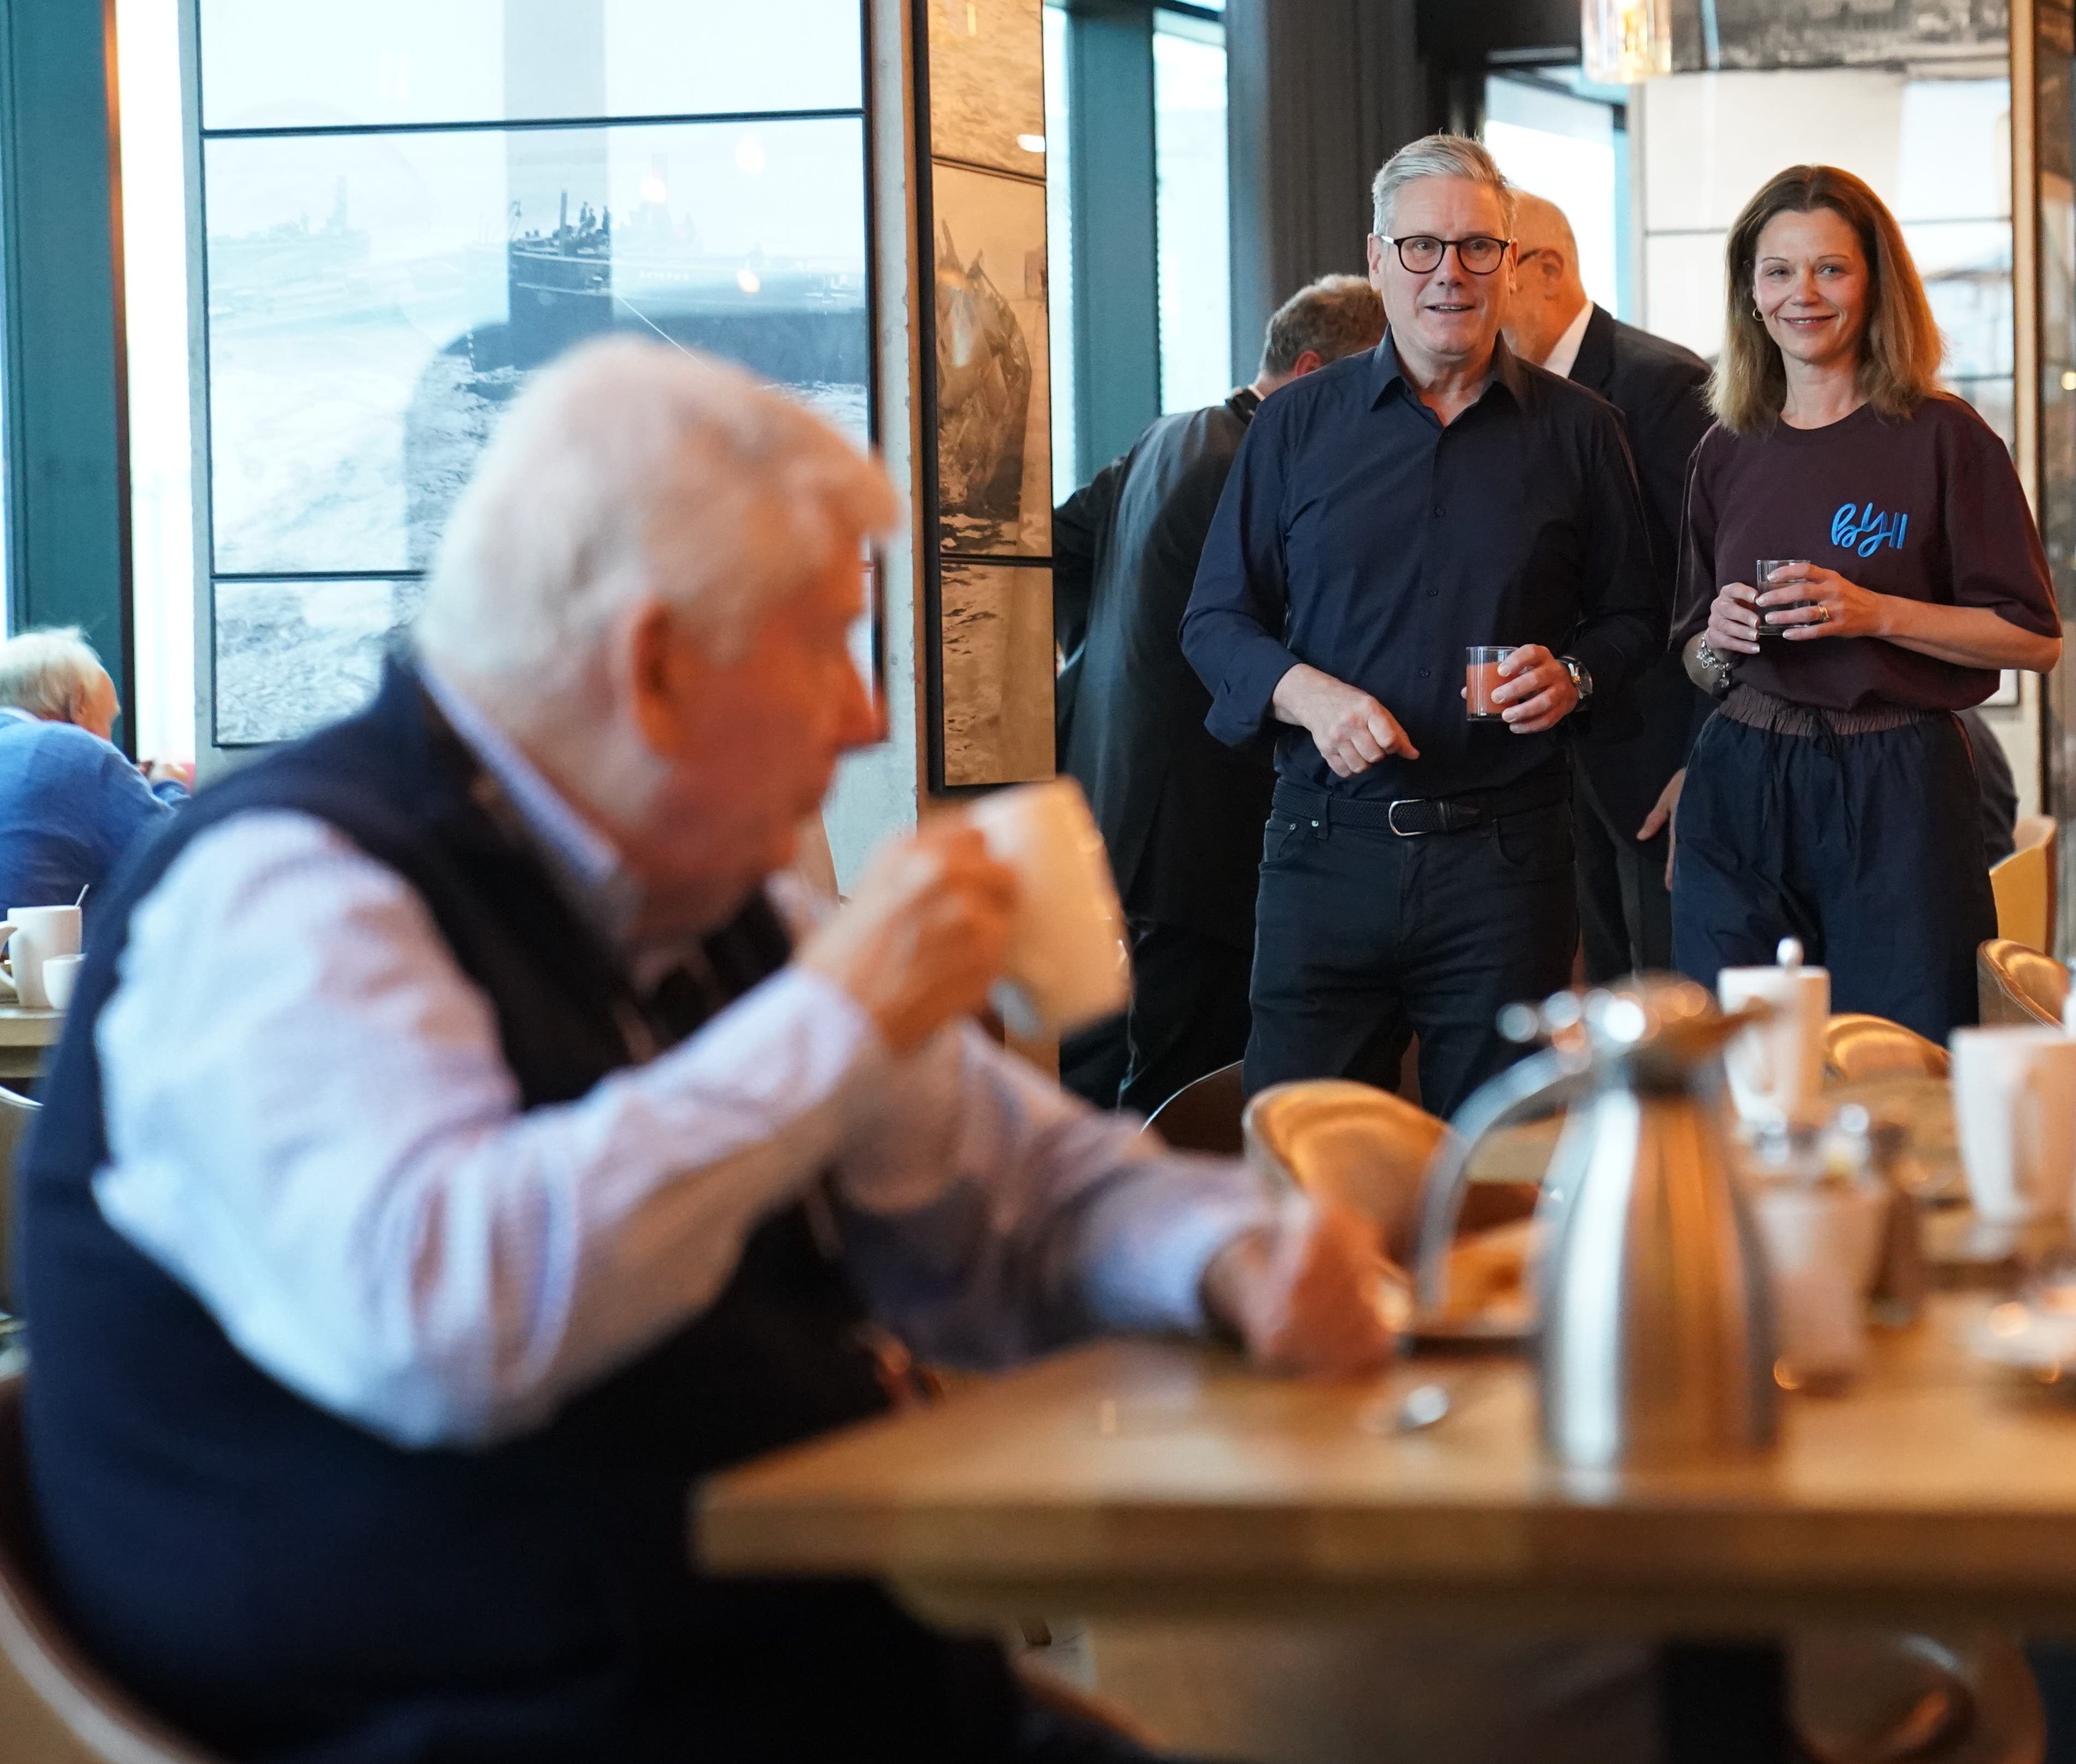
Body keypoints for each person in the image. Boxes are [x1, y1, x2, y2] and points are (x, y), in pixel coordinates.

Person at [17, 338, 1391, 1764]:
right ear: (655, 666)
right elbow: (451, 1316)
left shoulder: (700, 909)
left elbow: (1011, 1189)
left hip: (803, 1687)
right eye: (826, 647)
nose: (866, 717)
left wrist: (1225, 1256)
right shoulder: (292, 901)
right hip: (502, 1717)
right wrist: (840, 1023)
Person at [1182, 134, 1662, 1114]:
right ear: (1377, 259)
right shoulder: (1295, 427)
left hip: (1506, 864)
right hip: (1324, 850)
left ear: (1510, 260)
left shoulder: (1581, 431)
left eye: (1478, 247)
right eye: (1423, 248)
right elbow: (1216, 621)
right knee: (1307, 1168)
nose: (1450, 271)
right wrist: (1305, 694)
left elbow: (1634, 616)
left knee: (1498, 1177)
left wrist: (1574, 674)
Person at [1670, 164, 2058, 1043]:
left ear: (1876, 283)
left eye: (1830, 269)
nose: (1801, 294)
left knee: (1903, 1048)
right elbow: (1694, 652)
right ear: (1751, 293)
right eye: (1778, 271)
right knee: (1738, 1053)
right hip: (1741, 775)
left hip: (1898, 779)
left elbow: (2034, 639)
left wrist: (1873, 612)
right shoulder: (1725, 449)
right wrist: (1719, 640)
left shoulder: (1945, 437)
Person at [1053, 275, 1388, 1115]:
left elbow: (1057, 547)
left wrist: (1104, 668)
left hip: (1101, 810)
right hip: (1203, 839)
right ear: (1311, 370)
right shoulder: (1260, 467)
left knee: (1094, 1076)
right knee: (1184, 1092)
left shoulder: (1166, 436)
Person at [1500, 192, 1716, 982]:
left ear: (1545, 269)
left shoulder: (1662, 387)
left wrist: (1706, 760)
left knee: (1668, 1008)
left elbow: (1708, 588)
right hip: (1555, 769)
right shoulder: (1502, 397)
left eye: (1490, 257)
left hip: (1657, 762)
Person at [0, 626, 183, 908]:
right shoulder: (70, 748)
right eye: (108, 721)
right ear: (79, 704)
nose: (110, 742)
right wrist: (167, 785)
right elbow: (193, 859)